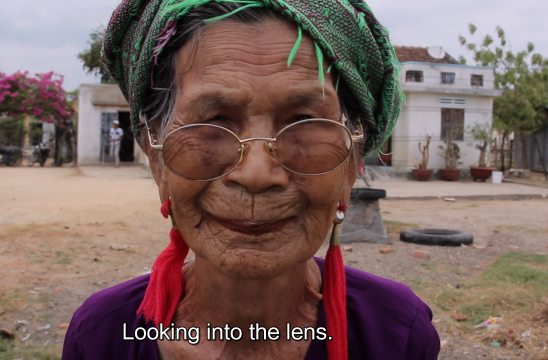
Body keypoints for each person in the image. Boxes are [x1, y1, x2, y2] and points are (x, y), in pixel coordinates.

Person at [63, 0, 440, 359]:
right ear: (157, 158)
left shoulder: (396, 334)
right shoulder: (102, 337)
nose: (257, 174)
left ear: (351, 161)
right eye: (212, 122)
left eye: (304, 123)